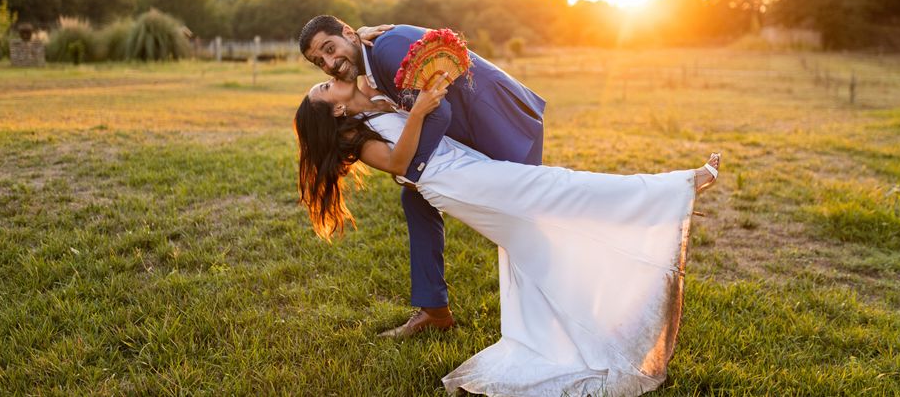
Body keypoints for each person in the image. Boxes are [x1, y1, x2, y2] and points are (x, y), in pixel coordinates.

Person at [294, 76, 721, 397]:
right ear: (331, 111)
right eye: (324, 87)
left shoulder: (369, 103)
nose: (330, 78)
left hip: (464, 169)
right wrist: (420, 111)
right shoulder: (354, 135)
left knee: (533, 245)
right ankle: (678, 187)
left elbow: (374, 57)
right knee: (558, 187)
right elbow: (400, 163)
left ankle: (579, 334)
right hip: (456, 183)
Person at [299, 15, 546, 337]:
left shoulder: (385, 51)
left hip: (501, 121)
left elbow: (438, 112)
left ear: (348, 33)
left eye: (330, 49)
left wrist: (411, 172)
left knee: (526, 221)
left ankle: (554, 301)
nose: (330, 63)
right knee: (416, 200)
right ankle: (435, 311)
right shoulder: (371, 62)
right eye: (320, 62)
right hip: (472, 126)